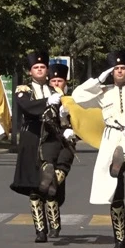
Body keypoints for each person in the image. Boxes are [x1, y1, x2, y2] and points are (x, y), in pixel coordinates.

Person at [70, 50, 125, 248]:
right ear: (111, 72)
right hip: (110, 137)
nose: (119, 71)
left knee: (124, 154)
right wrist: (98, 79)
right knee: (115, 192)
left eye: (123, 68)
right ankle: (120, 239)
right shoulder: (102, 91)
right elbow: (78, 97)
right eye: (116, 69)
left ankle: (122, 160)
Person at [9, 50, 65, 243]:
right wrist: (46, 102)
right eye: (36, 67)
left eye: (42, 67)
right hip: (31, 138)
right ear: (30, 71)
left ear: (47, 69)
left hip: (50, 137)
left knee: (50, 185)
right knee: (34, 187)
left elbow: (63, 113)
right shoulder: (23, 89)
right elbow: (25, 106)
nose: (40, 70)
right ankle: (40, 230)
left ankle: (55, 222)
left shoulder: (55, 91)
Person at [33, 62, 78, 238]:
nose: (56, 84)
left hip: (67, 144)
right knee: (48, 181)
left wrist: (72, 129)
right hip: (50, 141)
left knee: (59, 175)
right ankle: (53, 226)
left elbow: (82, 121)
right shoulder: (47, 100)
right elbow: (39, 118)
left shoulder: (73, 100)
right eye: (53, 81)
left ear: (65, 82)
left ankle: (54, 223)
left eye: (60, 80)